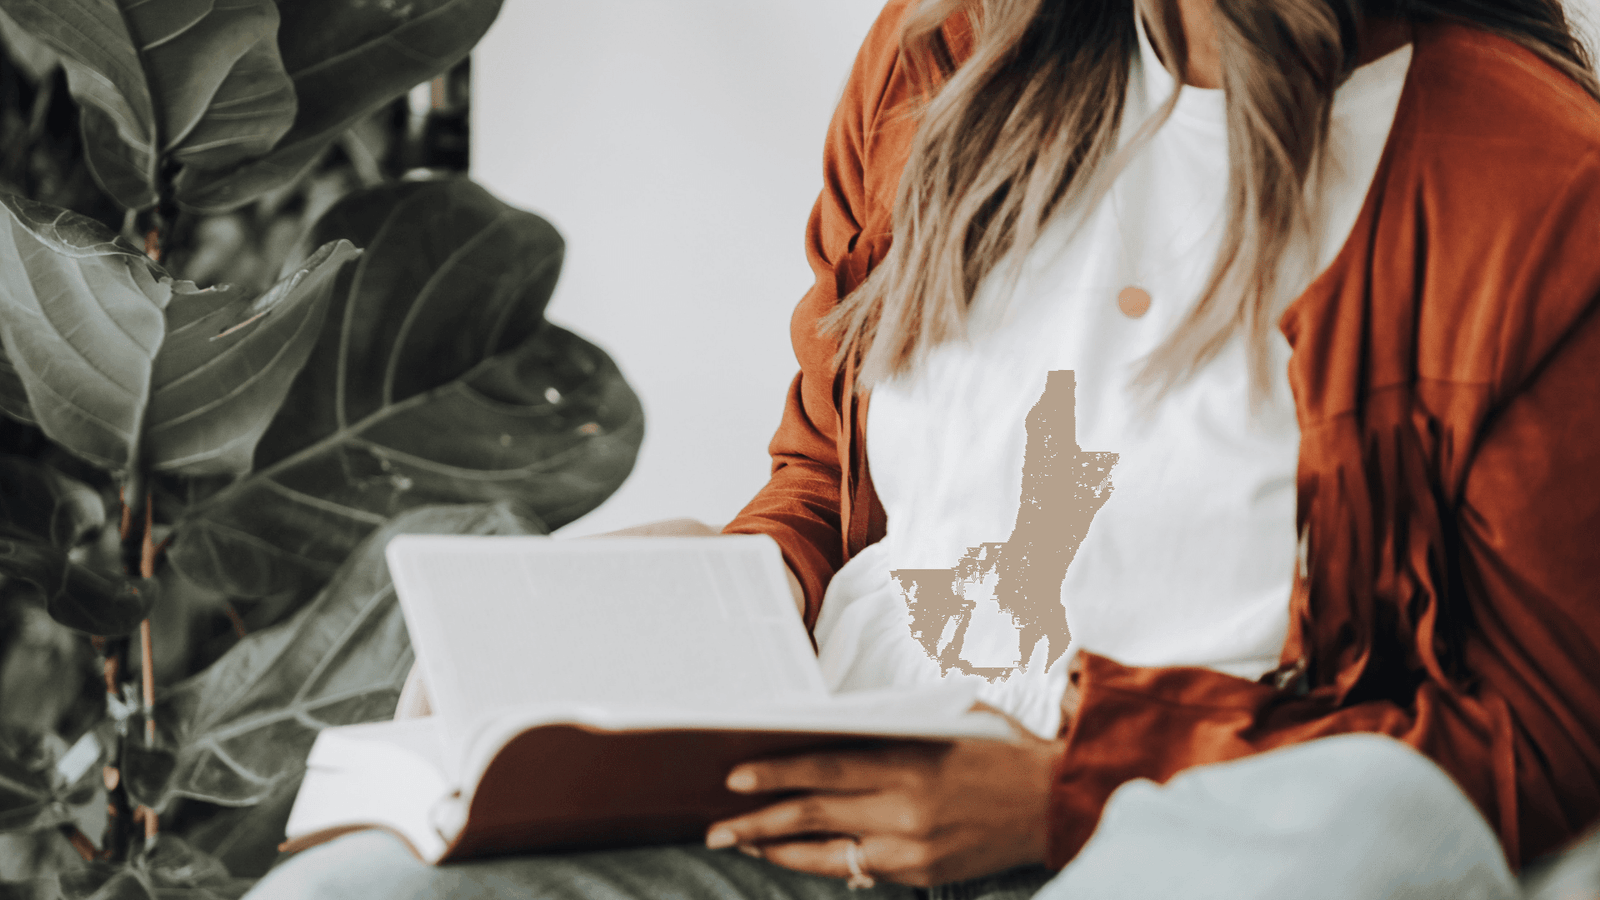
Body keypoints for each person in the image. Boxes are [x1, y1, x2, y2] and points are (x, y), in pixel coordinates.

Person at [244, 0, 1600, 897]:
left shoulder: (1526, 178)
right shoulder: (943, 52)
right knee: (349, 891)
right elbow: (829, 494)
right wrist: (674, 612)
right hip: (807, 809)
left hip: (1168, 849)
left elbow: (1539, 737)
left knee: (1363, 834)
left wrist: (1070, 798)